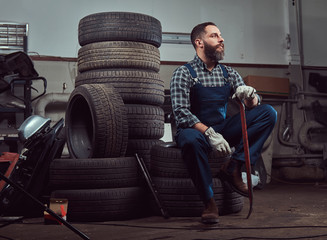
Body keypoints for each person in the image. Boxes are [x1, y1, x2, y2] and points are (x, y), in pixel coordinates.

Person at [170, 22, 277, 224]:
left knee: (268, 113)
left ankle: (234, 167)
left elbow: (251, 105)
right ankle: (209, 202)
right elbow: (181, 113)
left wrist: (251, 95)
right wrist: (209, 133)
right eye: (214, 35)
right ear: (199, 42)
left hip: (222, 128)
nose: (221, 39)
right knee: (191, 141)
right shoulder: (183, 73)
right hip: (195, 130)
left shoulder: (228, 73)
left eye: (221, 35)